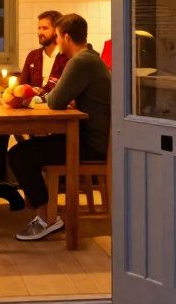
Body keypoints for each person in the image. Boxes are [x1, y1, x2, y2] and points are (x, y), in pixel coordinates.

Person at [7, 13, 111, 241]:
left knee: (18, 155)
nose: (56, 41)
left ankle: (47, 220)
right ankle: (47, 217)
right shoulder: (90, 57)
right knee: (26, 152)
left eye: (57, 36)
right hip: (93, 137)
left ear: (65, 37)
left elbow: (54, 101)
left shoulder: (80, 61)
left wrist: (43, 99)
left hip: (90, 143)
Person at [17, 10, 68, 92]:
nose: (40, 32)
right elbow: (22, 87)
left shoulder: (66, 56)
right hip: (33, 104)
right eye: (39, 28)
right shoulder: (32, 55)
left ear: (57, 30)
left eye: (45, 28)